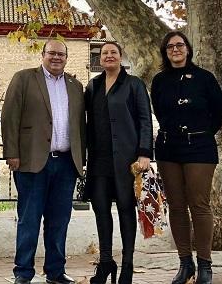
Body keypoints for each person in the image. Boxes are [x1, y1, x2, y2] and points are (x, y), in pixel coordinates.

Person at [1, 40, 85, 284]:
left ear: (67, 58)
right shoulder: (24, 79)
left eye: (61, 54)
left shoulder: (75, 85)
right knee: (29, 219)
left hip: (66, 163)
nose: (56, 57)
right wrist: (11, 153)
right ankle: (23, 272)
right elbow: (10, 117)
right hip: (32, 162)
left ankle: (56, 271)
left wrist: (81, 159)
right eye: (52, 53)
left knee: (59, 221)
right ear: (43, 55)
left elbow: (80, 125)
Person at [150, 32, 222, 284]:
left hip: (200, 147)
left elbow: (219, 113)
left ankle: (205, 264)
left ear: (188, 49)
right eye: (170, 46)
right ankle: (185, 263)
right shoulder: (159, 81)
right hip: (169, 148)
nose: (175, 49)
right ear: (165, 51)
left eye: (180, 45)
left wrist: (199, 133)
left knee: (199, 204)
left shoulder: (205, 78)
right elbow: (159, 111)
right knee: (177, 206)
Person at [84, 41, 153, 284]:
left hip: (127, 160)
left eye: (113, 52)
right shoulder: (93, 86)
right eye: (104, 53)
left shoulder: (134, 84)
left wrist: (145, 153)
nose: (109, 56)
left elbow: (145, 119)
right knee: (101, 210)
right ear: (100, 59)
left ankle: (127, 265)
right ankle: (105, 262)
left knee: (125, 210)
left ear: (120, 57)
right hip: (99, 160)